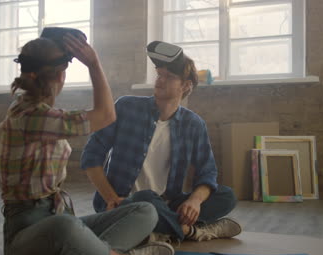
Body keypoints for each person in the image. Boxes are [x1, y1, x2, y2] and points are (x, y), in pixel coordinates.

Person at [0, 30, 174, 255]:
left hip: (57, 221)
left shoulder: (41, 113)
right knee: (65, 227)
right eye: (63, 71)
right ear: (60, 77)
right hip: (27, 240)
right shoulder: (30, 116)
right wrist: (93, 64)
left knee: (145, 211)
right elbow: (106, 115)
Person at [81, 41, 241, 243]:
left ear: (186, 85)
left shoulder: (194, 124)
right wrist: (110, 197)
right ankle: (189, 231)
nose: (160, 80)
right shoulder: (126, 107)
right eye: (159, 74)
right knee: (144, 198)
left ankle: (161, 230)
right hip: (122, 202)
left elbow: (207, 173)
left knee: (227, 196)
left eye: (170, 77)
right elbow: (91, 157)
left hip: (166, 204)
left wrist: (194, 201)